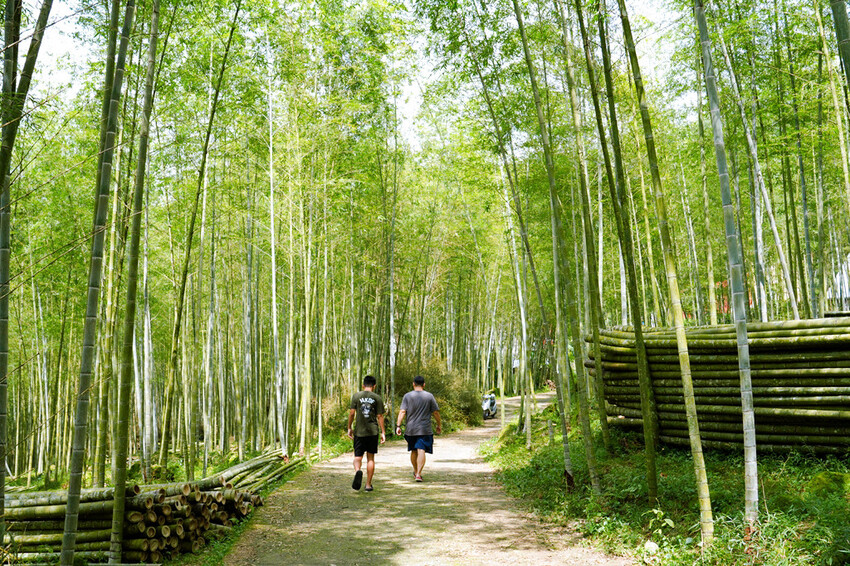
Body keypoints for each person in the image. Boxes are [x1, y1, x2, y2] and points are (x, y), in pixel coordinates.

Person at [396, 375, 441, 482]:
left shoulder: (407, 396)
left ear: (413, 384)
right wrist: (439, 424)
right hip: (424, 429)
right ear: (424, 384)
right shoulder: (429, 396)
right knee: (421, 450)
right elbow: (435, 412)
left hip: (410, 429)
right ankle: (418, 474)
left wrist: (398, 425)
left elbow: (402, 411)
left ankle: (416, 471)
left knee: (413, 450)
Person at [347, 375, 386, 492]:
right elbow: (380, 416)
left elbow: (352, 413)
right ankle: (368, 485)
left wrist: (349, 427)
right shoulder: (377, 398)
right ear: (374, 386)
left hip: (359, 431)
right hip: (372, 432)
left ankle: (358, 470)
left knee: (357, 456)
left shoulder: (356, 396)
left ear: (363, 385)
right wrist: (383, 432)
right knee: (370, 458)